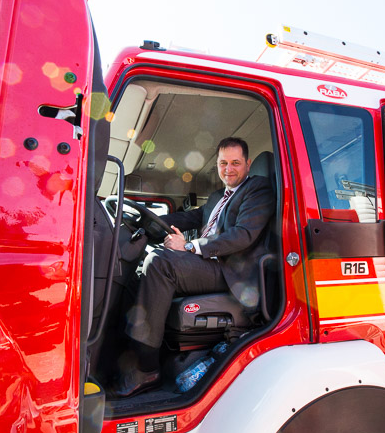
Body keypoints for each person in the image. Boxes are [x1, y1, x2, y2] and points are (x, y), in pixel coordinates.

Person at [114, 137, 274, 397]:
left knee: (161, 263)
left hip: (231, 270)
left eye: (235, 163)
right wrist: (145, 222)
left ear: (248, 164)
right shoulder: (217, 197)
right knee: (141, 270)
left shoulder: (257, 189)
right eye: (223, 163)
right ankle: (124, 349)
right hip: (208, 264)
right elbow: (190, 217)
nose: (228, 169)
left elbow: (243, 235)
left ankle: (147, 368)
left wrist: (189, 246)